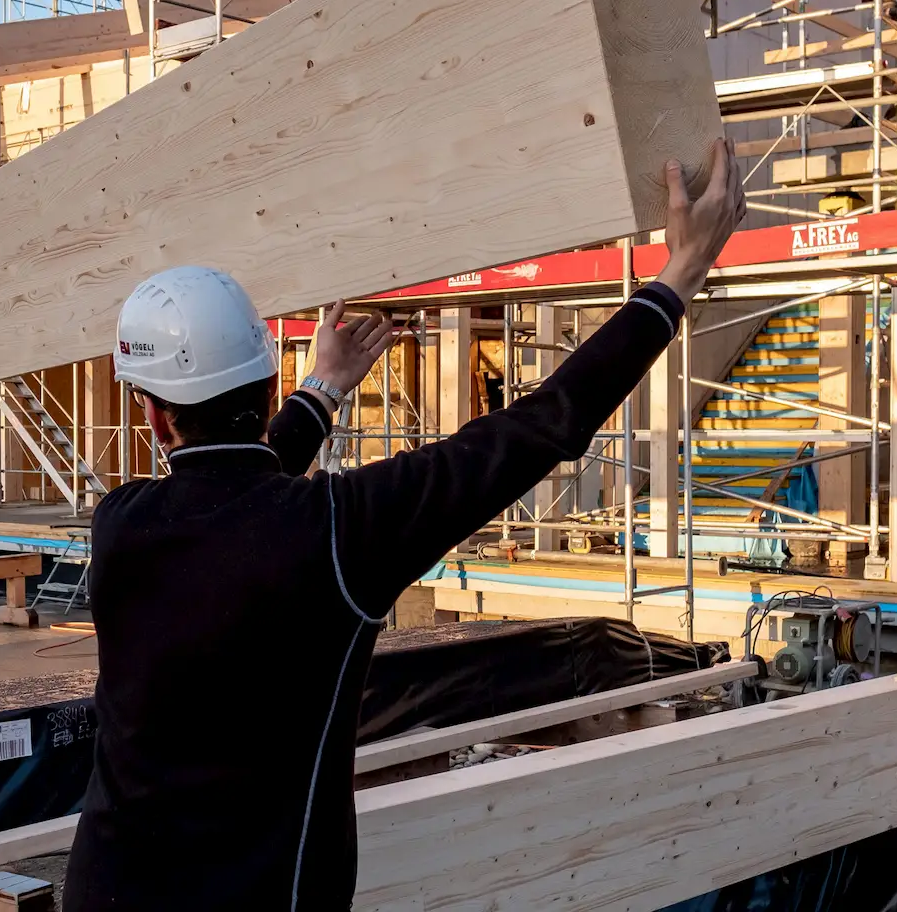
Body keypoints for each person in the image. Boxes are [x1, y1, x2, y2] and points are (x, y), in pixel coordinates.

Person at [63, 140, 746, 912]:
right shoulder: (341, 534)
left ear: (153, 414)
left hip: (105, 890)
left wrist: (322, 392)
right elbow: (537, 428)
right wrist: (678, 277)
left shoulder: (119, 527)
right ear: (263, 382)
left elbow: (236, 490)